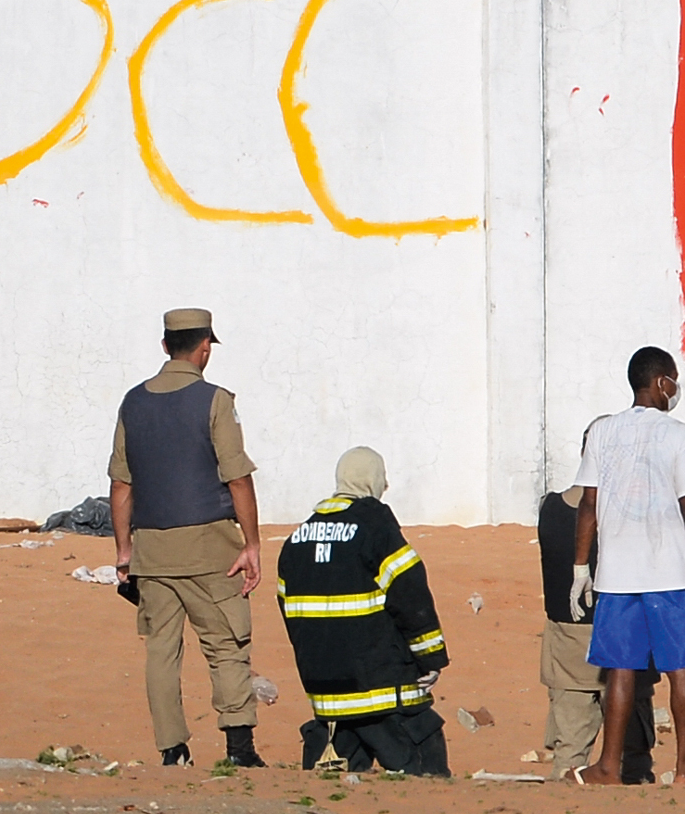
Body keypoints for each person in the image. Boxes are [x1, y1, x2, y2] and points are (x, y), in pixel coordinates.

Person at [110, 308, 265, 768]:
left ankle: (172, 749)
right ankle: (239, 749)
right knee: (226, 643)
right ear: (204, 348)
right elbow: (237, 478)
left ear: (165, 346)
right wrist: (252, 544)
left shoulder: (132, 402)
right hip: (208, 546)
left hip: (151, 549)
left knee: (161, 651)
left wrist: (124, 552)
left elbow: (121, 485)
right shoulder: (215, 401)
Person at [570, 346, 685, 786]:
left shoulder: (602, 432)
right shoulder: (680, 434)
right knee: (681, 669)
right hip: (673, 572)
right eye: (674, 379)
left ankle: (608, 766)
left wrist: (581, 567)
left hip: (617, 574)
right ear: (663, 383)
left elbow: (588, 504)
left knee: (620, 671)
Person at [279, 446, 451, 776]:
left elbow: (291, 613)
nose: (385, 486)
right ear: (373, 480)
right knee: (427, 773)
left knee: (336, 786)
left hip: (328, 697)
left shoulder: (296, 540)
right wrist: (431, 658)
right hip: (382, 691)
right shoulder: (377, 531)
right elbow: (410, 596)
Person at [538, 416, 659, 783]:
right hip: (623, 635)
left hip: (566, 640)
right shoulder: (630, 513)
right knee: (633, 754)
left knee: (569, 751)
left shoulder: (550, 508)